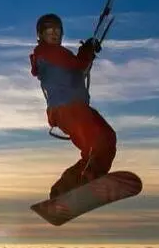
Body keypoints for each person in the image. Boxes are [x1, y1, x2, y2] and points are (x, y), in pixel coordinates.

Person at [29, 13, 117, 199]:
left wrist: (88, 50)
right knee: (99, 144)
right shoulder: (48, 52)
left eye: (57, 30)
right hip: (69, 110)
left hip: (73, 110)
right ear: (41, 35)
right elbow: (78, 64)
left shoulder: (53, 55)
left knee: (106, 139)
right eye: (49, 30)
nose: (54, 33)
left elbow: (76, 68)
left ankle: (71, 187)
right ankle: (85, 181)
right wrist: (87, 50)